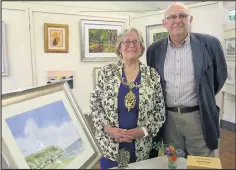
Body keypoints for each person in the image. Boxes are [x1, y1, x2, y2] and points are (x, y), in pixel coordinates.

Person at [146, 2, 227, 157]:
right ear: (164, 23)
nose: (178, 20)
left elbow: (219, 77)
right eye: (172, 17)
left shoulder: (210, 44)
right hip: (168, 119)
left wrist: (204, 95)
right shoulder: (154, 50)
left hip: (199, 117)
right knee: (174, 161)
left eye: (183, 15)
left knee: (202, 163)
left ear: (191, 19)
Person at [90, 27, 166, 169]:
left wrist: (143, 131)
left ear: (141, 47)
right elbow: (95, 104)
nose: (131, 45)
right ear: (119, 48)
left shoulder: (152, 75)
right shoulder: (107, 72)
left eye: (135, 41)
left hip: (141, 145)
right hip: (110, 145)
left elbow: (159, 112)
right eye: (126, 42)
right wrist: (108, 129)